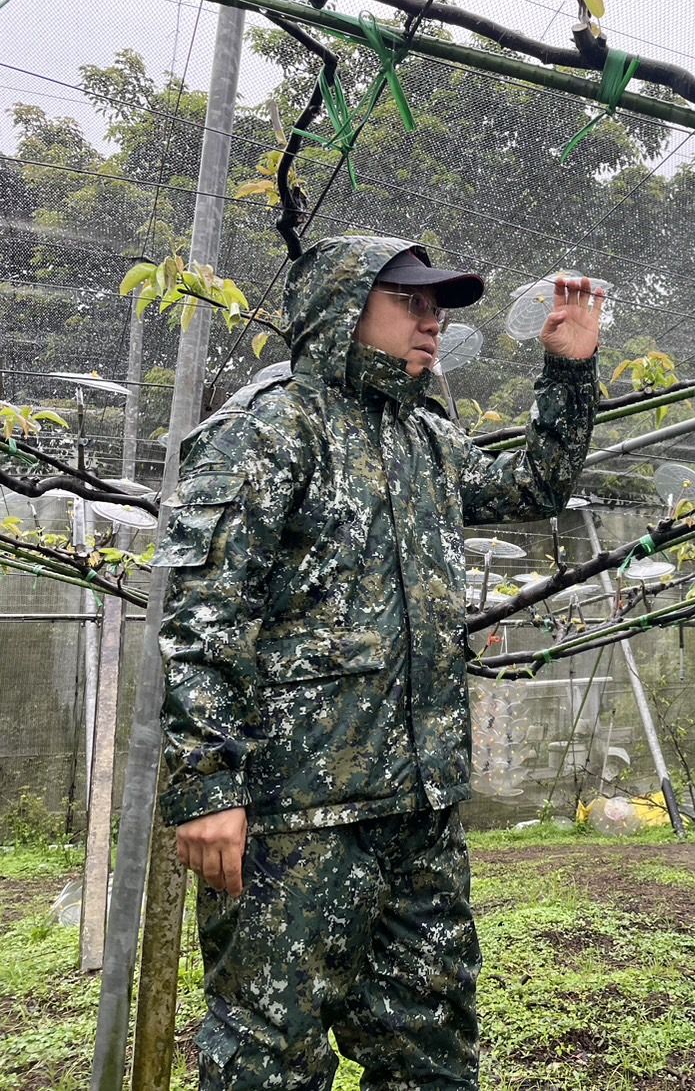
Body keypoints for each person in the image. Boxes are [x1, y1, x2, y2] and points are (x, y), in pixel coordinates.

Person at [154, 234, 603, 1089]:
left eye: (439, 307)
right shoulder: (273, 426)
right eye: (412, 303)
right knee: (267, 1056)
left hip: (419, 810)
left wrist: (570, 374)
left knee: (429, 1044)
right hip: (296, 817)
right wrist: (209, 789)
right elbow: (205, 616)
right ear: (343, 305)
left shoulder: (423, 437)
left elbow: (531, 491)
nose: (432, 322)